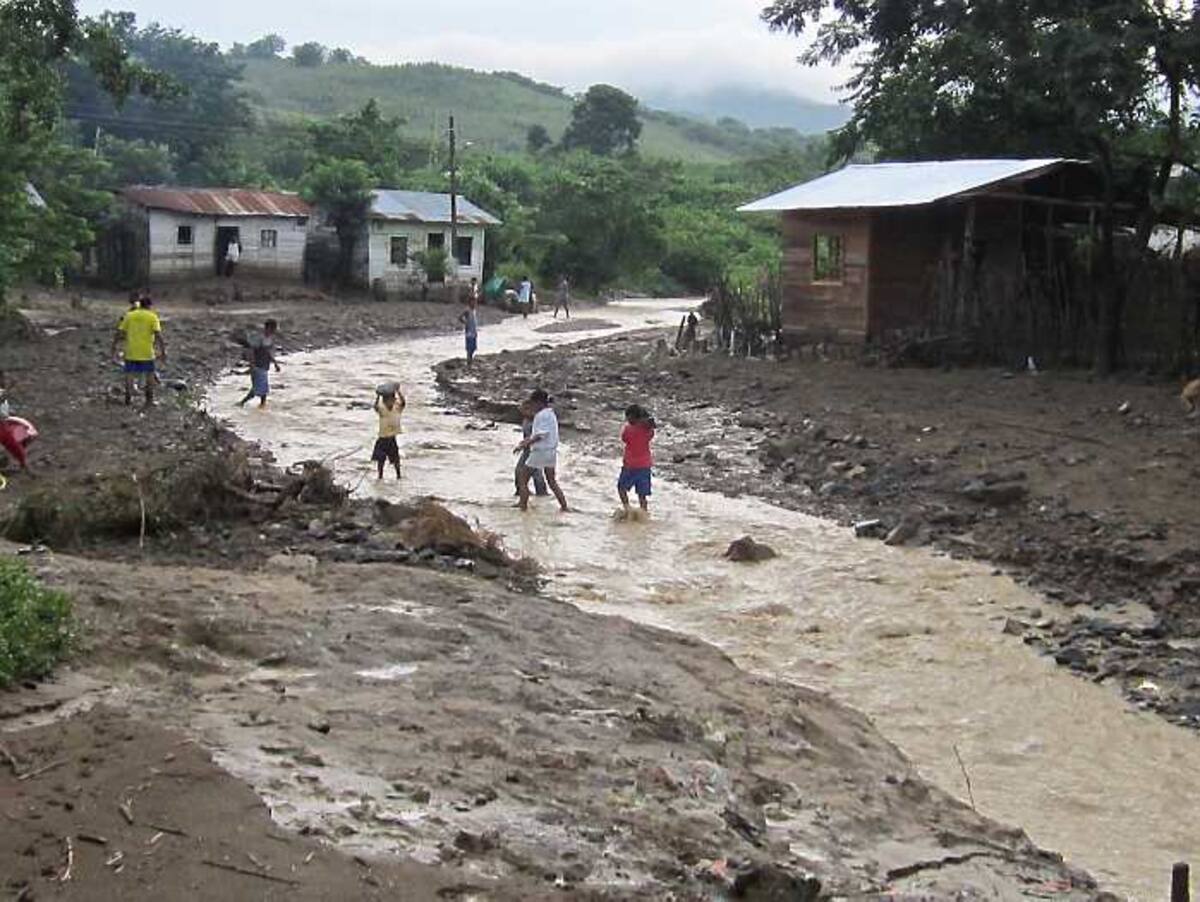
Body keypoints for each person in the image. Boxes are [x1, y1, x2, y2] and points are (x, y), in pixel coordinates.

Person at [514, 388, 568, 512]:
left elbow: (540, 435)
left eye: (533, 403)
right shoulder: (551, 414)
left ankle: (523, 508)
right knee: (552, 481)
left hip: (540, 452)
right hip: (551, 452)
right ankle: (564, 507)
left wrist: (524, 444)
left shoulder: (541, 415)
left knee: (522, 478)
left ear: (539, 403)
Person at [111, 295, 165, 407]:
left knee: (129, 375)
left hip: (131, 351)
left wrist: (114, 346)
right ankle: (149, 400)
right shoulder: (152, 317)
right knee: (149, 376)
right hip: (147, 353)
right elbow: (158, 335)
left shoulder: (129, 316)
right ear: (149, 306)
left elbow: (120, 332)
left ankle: (128, 399)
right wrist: (163, 350)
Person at [617, 404, 656, 514]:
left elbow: (624, 439)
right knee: (642, 494)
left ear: (632, 417)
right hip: (645, 466)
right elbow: (651, 433)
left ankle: (627, 508)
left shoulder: (628, 430)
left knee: (621, 488)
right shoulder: (648, 431)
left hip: (630, 465)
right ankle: (644, 514)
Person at [238, 319, 281, 408]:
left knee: (262, 387)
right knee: (259, 388)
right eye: (273, 329)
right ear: (268, 328)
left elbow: (269, 353)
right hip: (257, 365)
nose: (274, 331)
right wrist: (252, 365)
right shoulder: (259, 338)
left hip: (265, 366)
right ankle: (245, 403)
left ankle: (259, 405)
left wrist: (275, 363)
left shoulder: (269, 339)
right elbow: (251, 351)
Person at [514, 399, 548, 498]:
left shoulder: (536, 422)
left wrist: (524, 443)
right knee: (523, 472)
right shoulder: (526, 420)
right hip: (527, 450)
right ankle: (524, 493)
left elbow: (539, 436)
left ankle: (538, 494)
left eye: (525, 409)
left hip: (535, 450)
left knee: (531, 473)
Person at [372, 387, 405, 480]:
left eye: (392, 400)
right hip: (382, 438)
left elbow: (403, 403)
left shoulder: (397, 408)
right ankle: (380, 476)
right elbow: (375, 407)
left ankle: (399, 476)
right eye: (388, 400)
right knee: (380, 460)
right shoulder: (382, 409)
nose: (391, 402)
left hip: (392, 438)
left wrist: (398, 392)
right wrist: (378, 396)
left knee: (396, 459)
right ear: (384, 401)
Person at [458, 297, 479, 367]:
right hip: (469, 332)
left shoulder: (474, 310)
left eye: (475, 302)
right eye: (472, 302)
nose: (474, 303)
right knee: (469, 348)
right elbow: (460, 317)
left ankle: (470, 361)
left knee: (473, 348)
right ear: (469, 302)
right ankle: (469, 363)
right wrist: (465, 323)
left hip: (474, 331)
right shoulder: (467, 310)